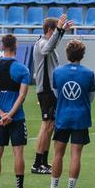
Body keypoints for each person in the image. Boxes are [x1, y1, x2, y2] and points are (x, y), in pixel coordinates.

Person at [45, 39, 95, 188]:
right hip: (81, 117)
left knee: (58, 153)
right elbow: (91, 96)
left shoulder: (58, 72)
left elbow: (56, 93)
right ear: (82, 55)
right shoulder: (88, 73)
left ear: (67, 54)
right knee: (76, 155)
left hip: (63, 116)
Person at [0, 34, 34, 188]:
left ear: (2, 47)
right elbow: (22, 96)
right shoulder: (23, 69)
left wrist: (1, 114)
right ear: (16, 46)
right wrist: (10, 115)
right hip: (17, 117)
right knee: (18, 152)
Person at [31, 15, 73, 175]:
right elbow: (47, 48)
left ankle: (43, 161)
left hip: (50, 91)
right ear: (50, 29)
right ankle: (37, 163)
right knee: (46, 125)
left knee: (50, 126)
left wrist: (61, 31)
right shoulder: (41, 43)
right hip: (46, 91)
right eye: (55, 29)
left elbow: (53, 43)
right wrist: (59, 30)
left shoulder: (48, 42)